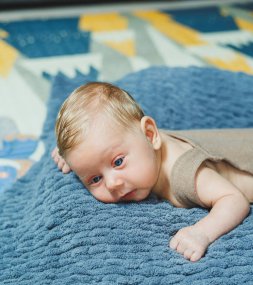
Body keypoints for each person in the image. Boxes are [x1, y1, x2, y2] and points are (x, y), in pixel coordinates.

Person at [51, 82, 253, 262]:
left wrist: (202, 233)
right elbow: (97, 145)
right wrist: (72, 157)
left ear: (150, 134)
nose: (112, 183)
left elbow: (234, 199)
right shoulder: (140, 145)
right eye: (95, 178)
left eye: (118, 162)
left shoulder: (183, 173)